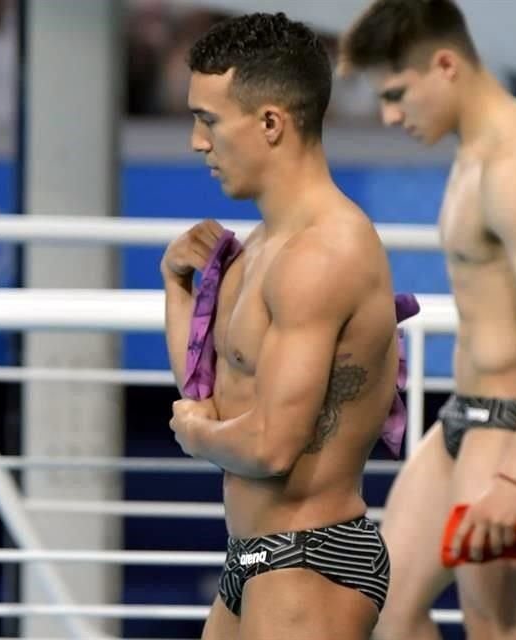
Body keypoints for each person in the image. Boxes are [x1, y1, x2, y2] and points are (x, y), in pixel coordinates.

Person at [337, 1, 516, 638]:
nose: (391, 115)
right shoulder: (474, 150)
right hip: (467, 417)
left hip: (515, 429)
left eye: (398, 94)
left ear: (445, 65)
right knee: (388, 614)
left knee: (498, 632)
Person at [161, 12, 401, 640]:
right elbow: (208, 394)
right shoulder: (263, 246)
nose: (196, 142)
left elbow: (270, 445)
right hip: (255, 557)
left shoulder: (323, 255)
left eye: (209, 120)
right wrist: (176, 289)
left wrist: (194, 436)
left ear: (271, 122)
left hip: (310, 559)